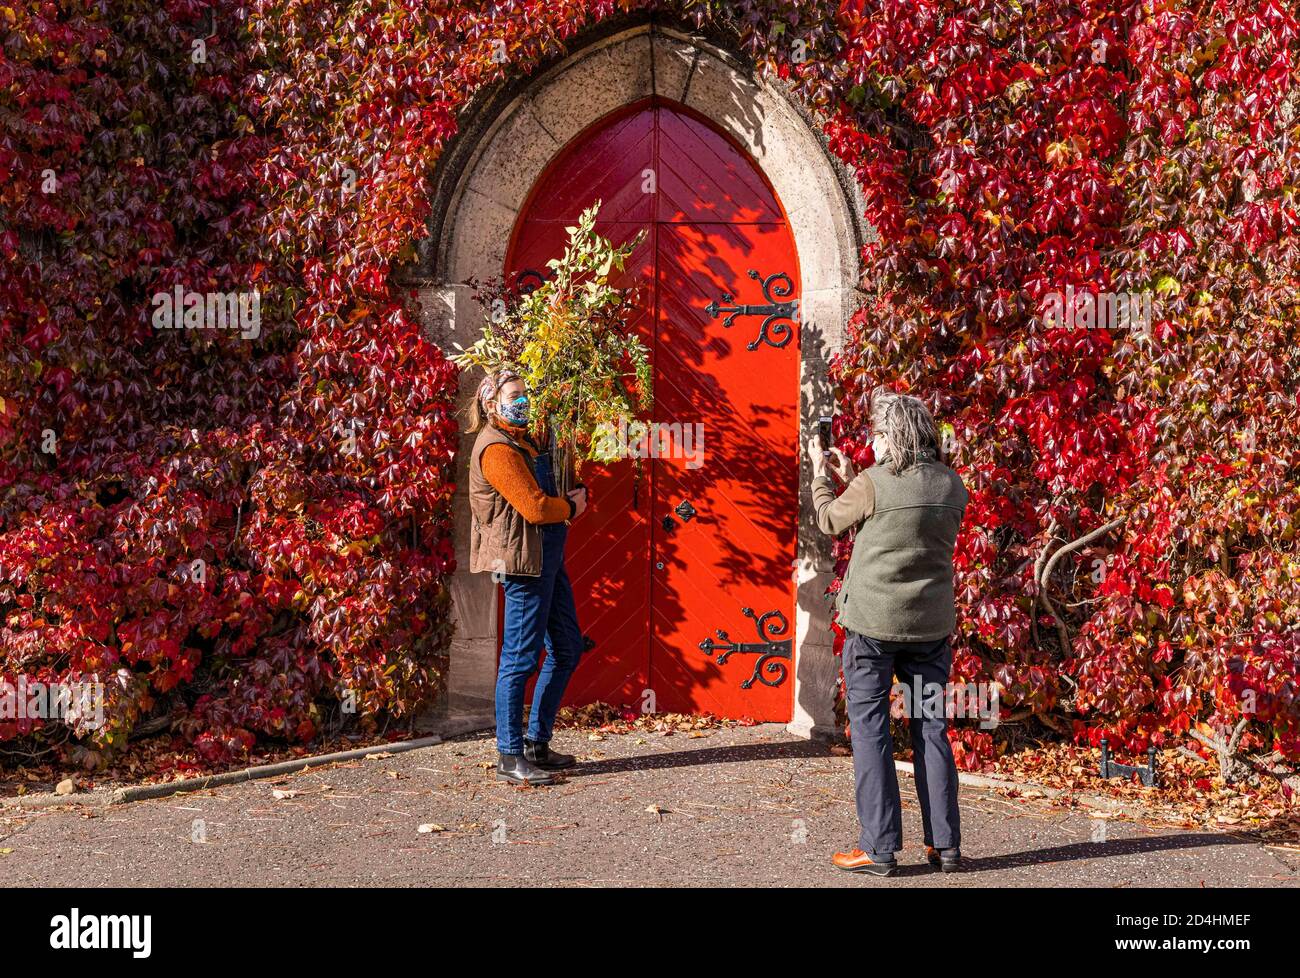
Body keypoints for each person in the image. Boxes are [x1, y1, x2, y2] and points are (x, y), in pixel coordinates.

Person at [809, 389, 969, 877]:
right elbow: (903, 517)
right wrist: (850, 477)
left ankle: (878, 848)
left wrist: (820, 473)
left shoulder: (873, 483)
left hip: (873, 630)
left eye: (876, 433)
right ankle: (945, 845)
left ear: (891, 435)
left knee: (872, 731)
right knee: (931, 730)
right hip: (929, 629)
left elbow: (831, 519)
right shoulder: (951, 485)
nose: (872, 442)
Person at [468, 366, 589, 785]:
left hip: (548, 559)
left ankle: (538, 742)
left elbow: (554, 476)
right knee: (519, 660)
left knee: (568, 648)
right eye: (514, 396)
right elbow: (536, 507)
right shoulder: (496, 449)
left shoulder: (523, 441)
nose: (522, 402)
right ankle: (509, 754)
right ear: (491, 403)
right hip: (522, 565)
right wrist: (573, 508)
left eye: (525, 395)